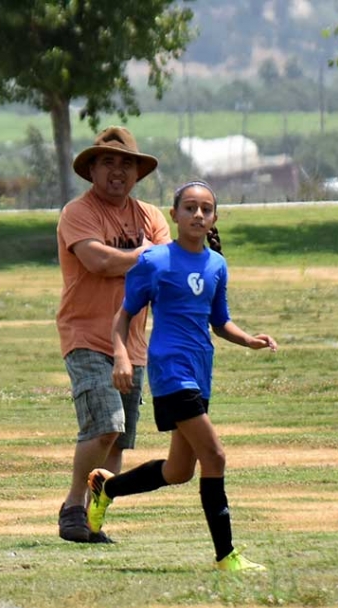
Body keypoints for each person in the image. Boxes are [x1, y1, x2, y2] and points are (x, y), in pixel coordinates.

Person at [86, 180, 276, 571]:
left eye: (206, 209)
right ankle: (227, 556)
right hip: (170, 371)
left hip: (200, 370)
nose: (198, 215)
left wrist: (250, 340)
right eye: (189, 208)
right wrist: (121, 356)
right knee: (215, 455)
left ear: (214, 219)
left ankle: (109, 487)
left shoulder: (217, 266)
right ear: (174, 215)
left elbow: (220, 321)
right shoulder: (153, 262)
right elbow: (122, 318)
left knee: (178, 472)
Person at [55, 126, 172, 544]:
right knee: (105, 425)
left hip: (134, 343)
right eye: (108, 162)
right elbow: (97, 261)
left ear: (138, 173)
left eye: (126, 164)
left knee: (118, 444)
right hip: (86, 334)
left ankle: (91, 518)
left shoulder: (152, 217)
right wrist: (143, 255)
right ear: (92, 170)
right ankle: (72, 506)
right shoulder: (78, 213)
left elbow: (166, 271)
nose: (118, 171)